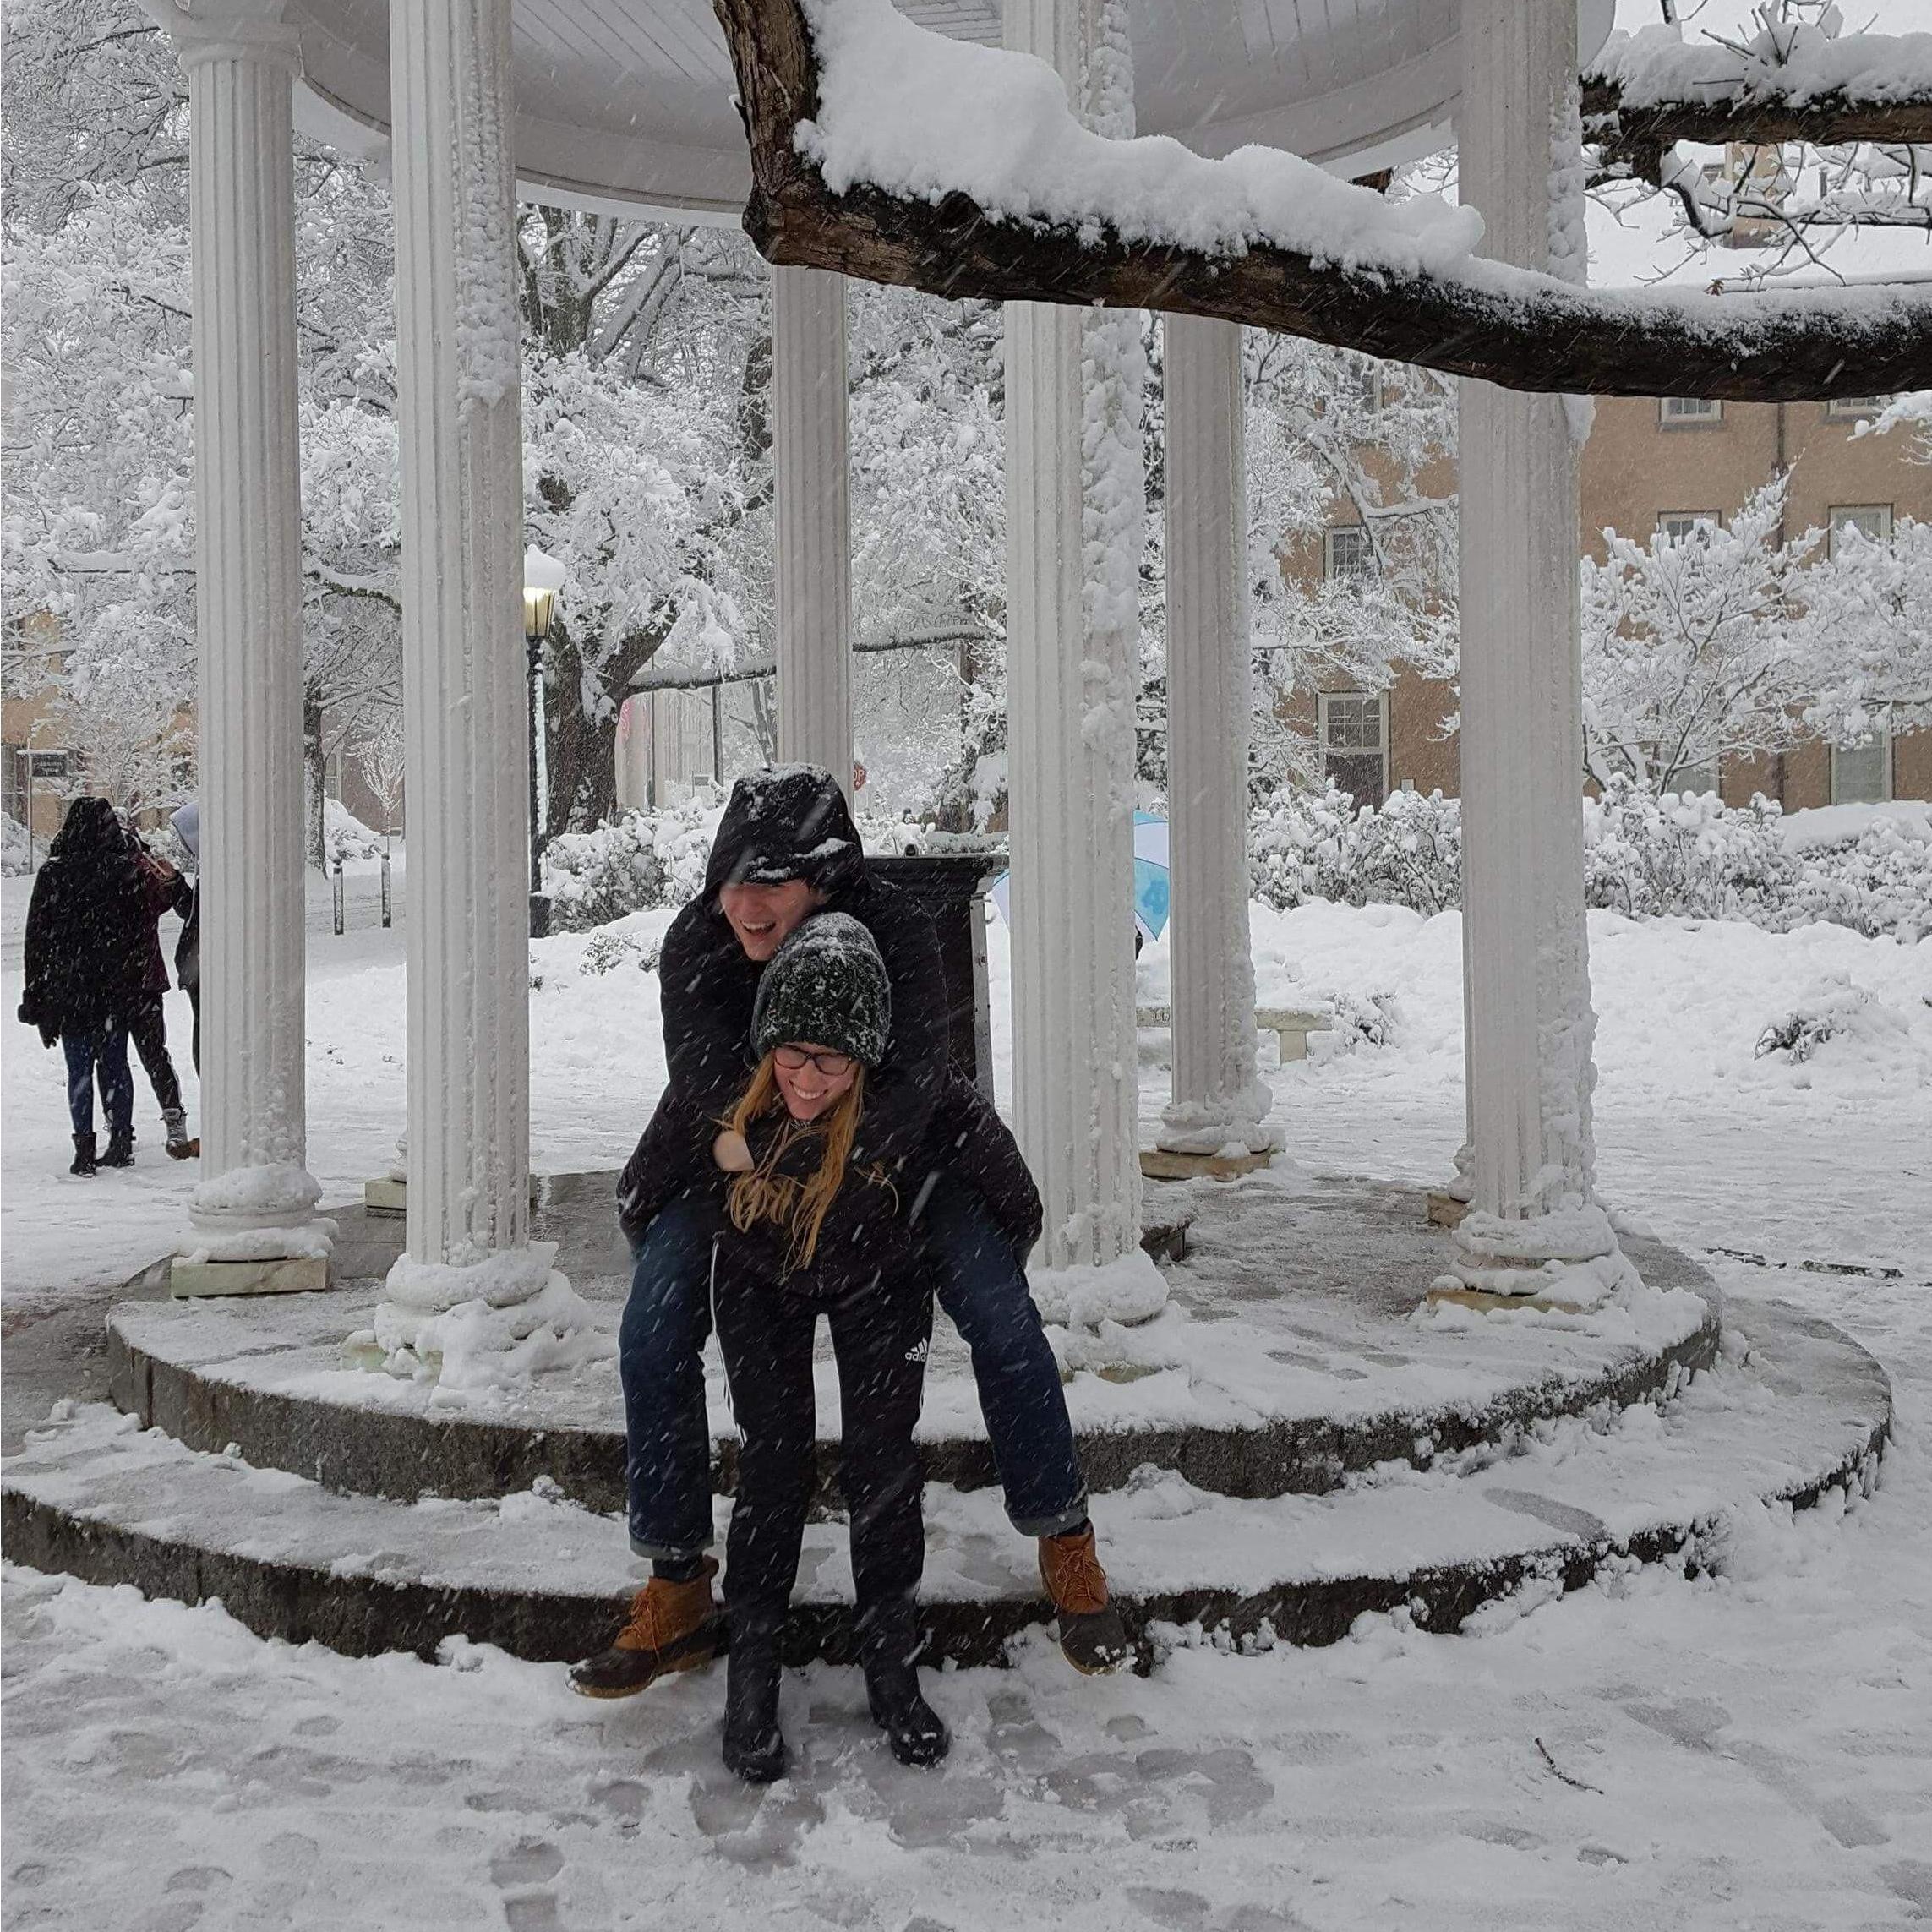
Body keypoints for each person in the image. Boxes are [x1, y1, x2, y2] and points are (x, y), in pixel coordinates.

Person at [572, 765, 1127, 1702]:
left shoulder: (901, 928)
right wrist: (771, 1159)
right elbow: (706, 1078)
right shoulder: (696, 946)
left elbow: (917, 1078)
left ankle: (1064, 1538)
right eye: (731, 881)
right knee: (654, 1326)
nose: (745, 905)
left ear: (823, 882)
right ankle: (677, 1585)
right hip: (738, 1159)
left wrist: (844, 1164)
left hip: (910, 1165)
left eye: (770, 884)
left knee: (1001, 1318)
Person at [704, 914, 1042, 1781]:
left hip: (880, 1284)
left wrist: (962, 1258)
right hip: (759, 1285)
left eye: (832, 1060)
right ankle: (753, 1669)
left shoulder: (918, 1102)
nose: (808, 1079)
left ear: (868, 1058)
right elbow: (644, 1190)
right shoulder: (729, 1100)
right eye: (793, 1054)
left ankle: (891, 1661)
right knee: (773, 1467)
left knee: (882, 1467)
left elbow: (1014, 1195)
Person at [18, 796, 149, 1176]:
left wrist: (37, 996)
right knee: (115, 1064)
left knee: (78, 1069)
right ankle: (121, 1138)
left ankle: (84, 1148)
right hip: (113, 987)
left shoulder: (54, 874)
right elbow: (137, 931)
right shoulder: (122, 871)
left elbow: (37, 940)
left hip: (71, 989)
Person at [127, 825, 197, 1159]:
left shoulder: (137, 874)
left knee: (119, 1060)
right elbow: (179, 906)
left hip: (131, 982)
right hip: (144, 980)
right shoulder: (138, 873)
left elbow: (181, 906)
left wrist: (168, 881)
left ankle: (120, 1129)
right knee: (154, 1054)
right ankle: (172, 1120)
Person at [169, 803, 201, 1073]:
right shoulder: (208, 870)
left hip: (200, 966)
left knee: (204, 1029)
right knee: (203, 1026)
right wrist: (174, 883)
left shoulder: (217, 873)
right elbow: (191, 910)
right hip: (197, 967)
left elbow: (195, 915)